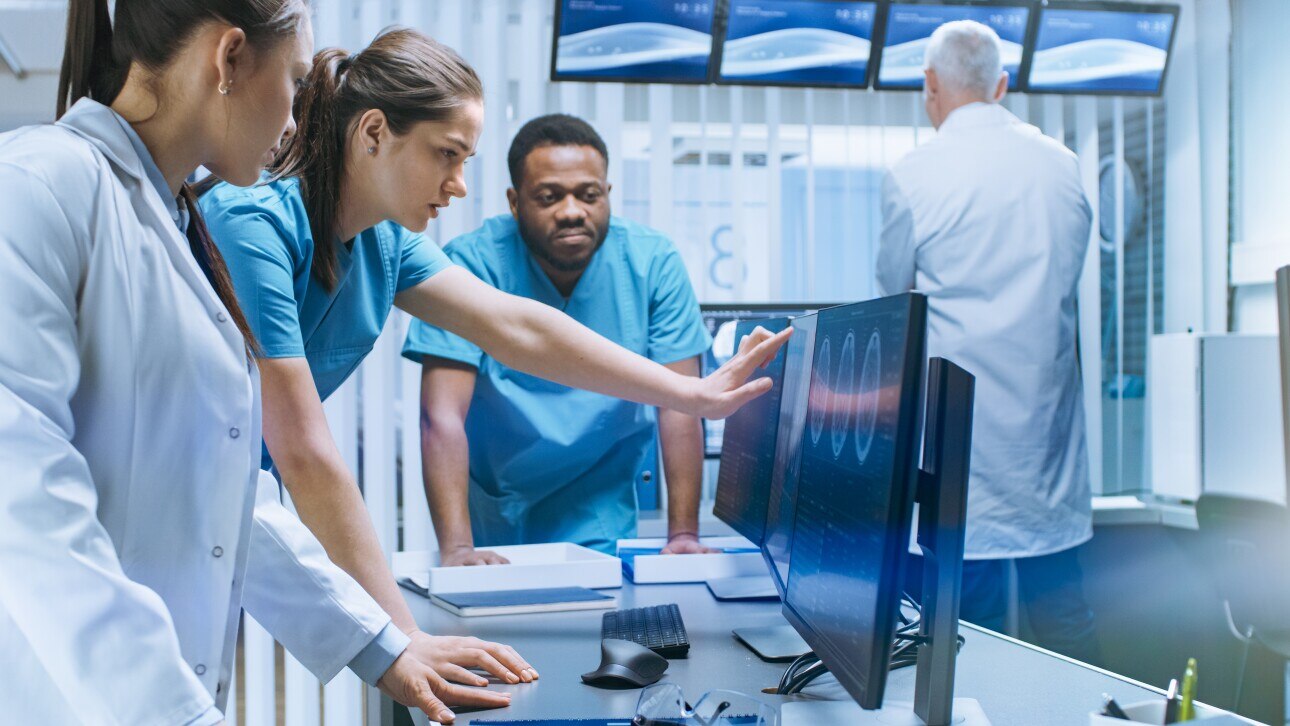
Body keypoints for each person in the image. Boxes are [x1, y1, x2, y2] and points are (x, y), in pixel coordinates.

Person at [198, 23, 788, 669]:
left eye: (465, 162)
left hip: (226, 498)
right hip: (170, 487)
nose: (457, 185)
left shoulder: (383, 241)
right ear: (373, 134)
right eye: (446, 154)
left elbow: (519, 327)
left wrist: (690, 394)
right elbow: (304, 450)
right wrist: (405, 642)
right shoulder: (253, 223)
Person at [0, 2, 512, 723]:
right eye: (295, 81)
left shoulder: (180, 224)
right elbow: (19, 506)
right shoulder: (37, 187)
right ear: (229, 59)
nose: (298, 121)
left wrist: (384, 646)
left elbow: (224, 486)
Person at [877, 20, 1100, 663]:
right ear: (1001, 85)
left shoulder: (914, 176)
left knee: (960, 645)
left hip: (958, 457)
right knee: (1067, 630)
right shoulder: (1065, 167)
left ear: (929, 86)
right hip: (1045, 454)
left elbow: (897, 309)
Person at [402, 114, 713, 562]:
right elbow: (441, 416)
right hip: (498, 509)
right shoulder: (471, 263)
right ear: (514, 202)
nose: (572, 211)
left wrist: (683, 533)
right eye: (549, 197)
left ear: (608, 194)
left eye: (589, 195)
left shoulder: (652, 263)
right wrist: (457, 547)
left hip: (600, 507)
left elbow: (681, 405)